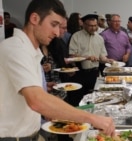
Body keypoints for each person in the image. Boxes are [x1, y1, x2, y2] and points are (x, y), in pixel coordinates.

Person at [0, 0, 115, 140]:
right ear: (34, 19)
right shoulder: (16, 48)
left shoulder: (31, 50)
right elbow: (36, 100)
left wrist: (44, 88)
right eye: (53, 24)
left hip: (31, 133)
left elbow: (27, 93)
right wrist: (91, 118)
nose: (56, 32)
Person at [68, 14, 114, 106]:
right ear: (84, 25)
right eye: (90, 26)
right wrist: (87, 57)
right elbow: (72, 56)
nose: (93, 28)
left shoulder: (99, 38)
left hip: (93, 74)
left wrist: (108, 60)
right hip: (79, 73)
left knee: (92, 100)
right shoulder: (76, 36)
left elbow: (102, 56)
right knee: (78, 100)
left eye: (95, 25)